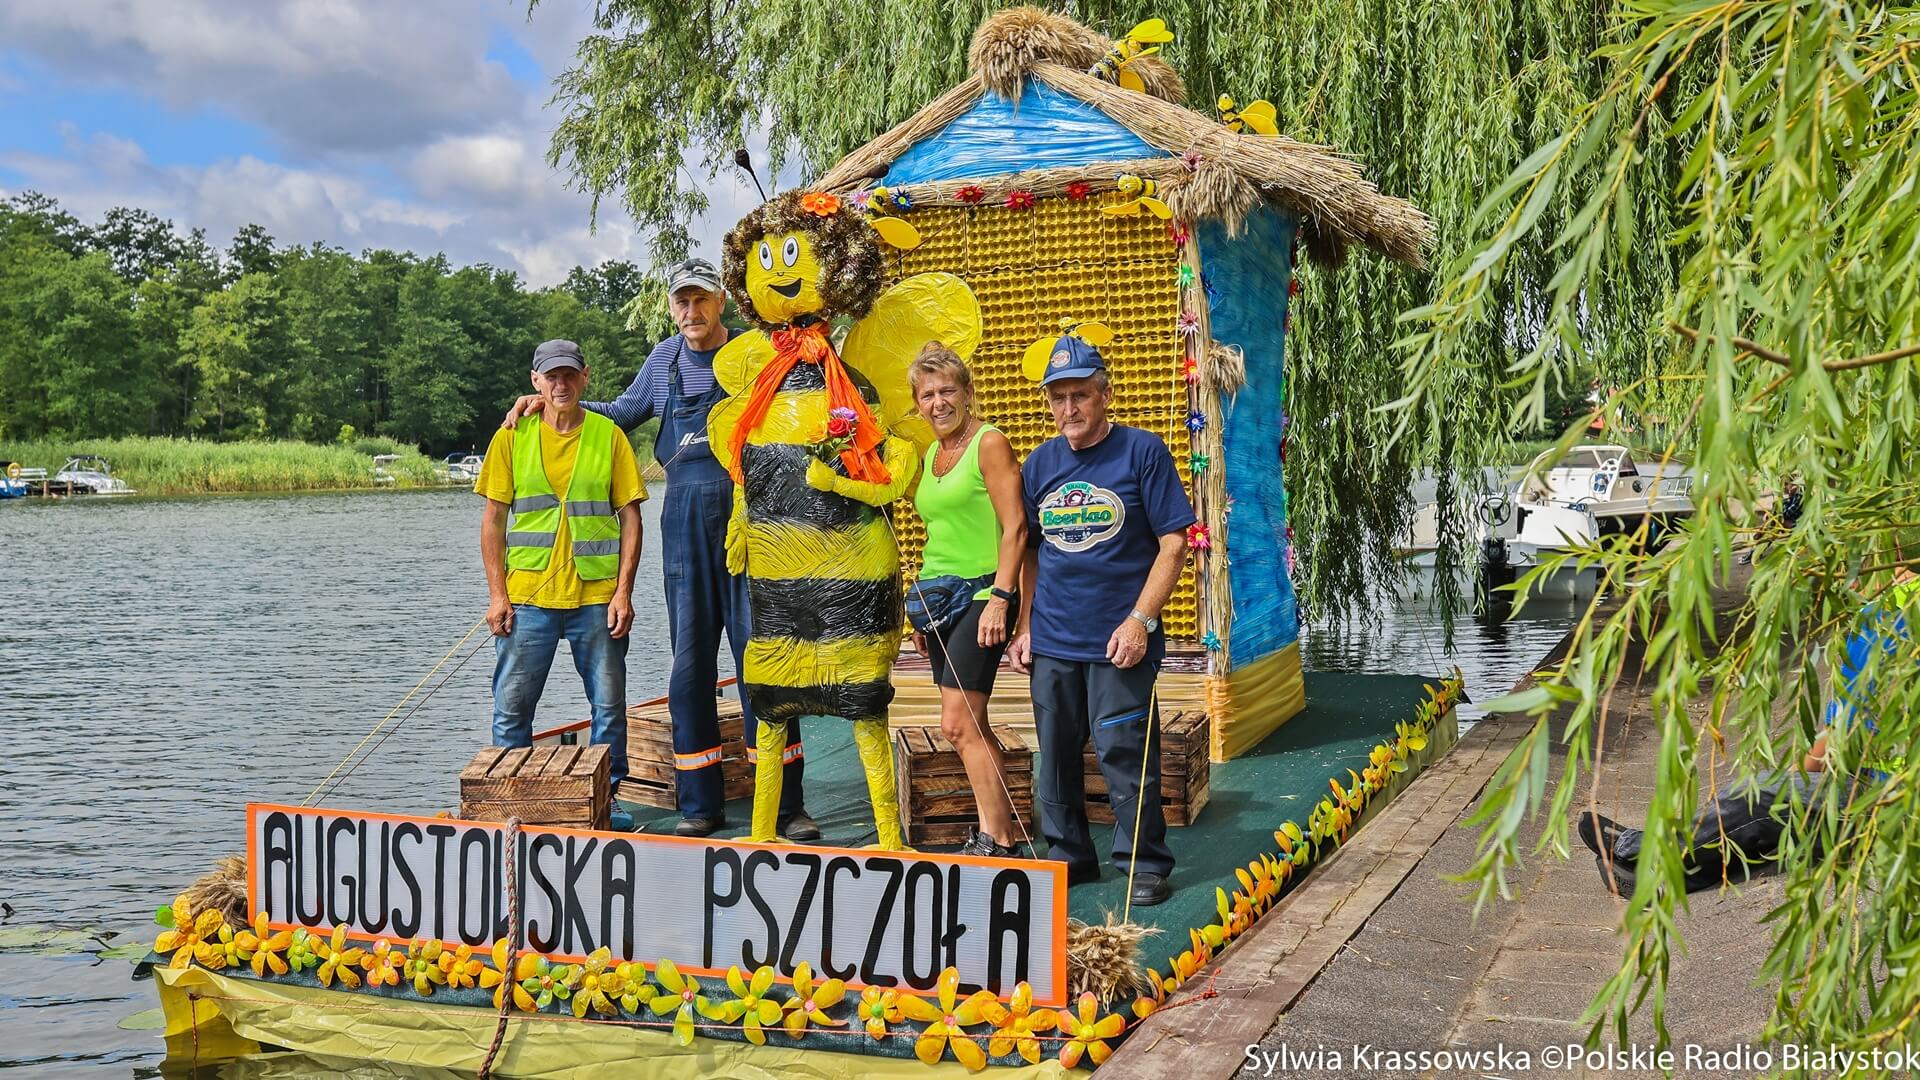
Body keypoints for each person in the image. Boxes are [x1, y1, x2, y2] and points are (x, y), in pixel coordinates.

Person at [505, 259, 813, 840]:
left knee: (764, 663)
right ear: (673, 308)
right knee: (690, 666)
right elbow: (620, 414)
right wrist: (550, 401)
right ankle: (700, 805)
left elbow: (799, 413)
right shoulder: (663, 361)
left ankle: (788, 805)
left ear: (722, 300)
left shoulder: (754, 354)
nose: (691, 313)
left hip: (754, 521)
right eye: (682, 303)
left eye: (701, 300)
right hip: (685, 524)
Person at [1580, 571, 1918, 894]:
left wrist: (1793, 780)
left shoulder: (1886, 618)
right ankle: (1655, 876)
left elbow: (1844, 727)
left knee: (1755, 795)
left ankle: (1641, 849)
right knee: (1767, 824)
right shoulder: (1884, 613)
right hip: (1881, 786)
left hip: (1885, 794)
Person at [1009, 334, 1193, 906]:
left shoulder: (1143, 452)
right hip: (1055, 640)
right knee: (1056, 755)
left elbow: (1174, 543)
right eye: (1058, 397)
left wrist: (1141, 619)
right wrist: (1025, 625)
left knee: (1123, 753)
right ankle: (1069, 859)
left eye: (1081, 395)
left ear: (1105, 394)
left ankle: (1144, 864)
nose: (1070, 408)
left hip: (1121, 641)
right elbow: (1032, 550)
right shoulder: (1039, 463)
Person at [478, 339, 645, 832]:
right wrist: (497, 594)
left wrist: (623, 592)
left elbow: (631, 519)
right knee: (512, 707)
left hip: (597, 600)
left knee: (609, 705)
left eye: (569, 375)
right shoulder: (511, 436)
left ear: (584, 378)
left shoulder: (609, 436)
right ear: (536, 381)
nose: (560, 384)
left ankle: (606, 800)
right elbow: (493, 521)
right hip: (527, 601)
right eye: (551, 376)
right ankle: (510, 802)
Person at [906, 343, 1029, 857]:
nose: (938, 403)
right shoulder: (932, 453)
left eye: (947, 391)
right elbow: (940, 535)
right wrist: (923, 613)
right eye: (927, 394)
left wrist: (1002, 598)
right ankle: (999, 832)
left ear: (968, 393)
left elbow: (1016, 526)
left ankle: (997, 839)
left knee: (956, 724)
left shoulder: (989, 443)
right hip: (941, 598)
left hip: (983, 592)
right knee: (972, 726)